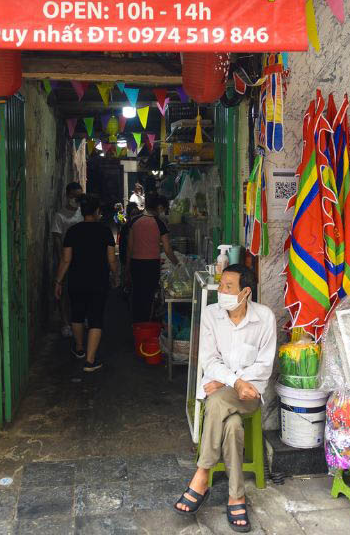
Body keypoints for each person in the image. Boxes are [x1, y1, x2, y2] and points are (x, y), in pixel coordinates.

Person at [173, 264, 275, 532]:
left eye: (228, 287)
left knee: (218, 401)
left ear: (245, 292)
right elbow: (209, 360)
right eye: (221, 285)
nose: (222, 291)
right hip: (222, 390)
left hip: (248, 394)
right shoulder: (211, 315)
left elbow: (264, 365)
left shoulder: (264, 318)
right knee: (231, 425)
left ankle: (202, 474)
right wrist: (235, 380)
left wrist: (233, 381)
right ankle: (236, 496)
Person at [54, 195, 118, 372]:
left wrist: (58, 281)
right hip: (99, 280)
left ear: (82, 212)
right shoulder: (105, 231)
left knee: (77, 314)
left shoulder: (72, 232)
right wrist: (115, 275)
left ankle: (80, 348)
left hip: (76, 280)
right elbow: (111, 260)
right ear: (97, 212)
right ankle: (90, 361)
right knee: (96, 317)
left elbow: (66, 260)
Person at [126, 193, 179, 322]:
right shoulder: (160, 224)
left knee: (137, 294)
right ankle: (146, 324)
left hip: (136, 264)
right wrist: (177, 263)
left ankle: (136, 325)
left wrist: (127, 267)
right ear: (159, 207)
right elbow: (167, 249)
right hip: (151, 266)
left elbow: (130, 247)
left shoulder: (134, 221)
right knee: (149, 296)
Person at [52, 182, 83, 338]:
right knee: (63, 293)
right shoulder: (60, 216)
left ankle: (79, 319)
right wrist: (61, 260)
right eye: (74, 196)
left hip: (82, 260)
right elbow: (57, 240)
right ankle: (65, 323)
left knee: (80, 292)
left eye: (78, 196)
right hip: (65, 259)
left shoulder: (83, 213)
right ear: (68, 196)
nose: (76, 199)